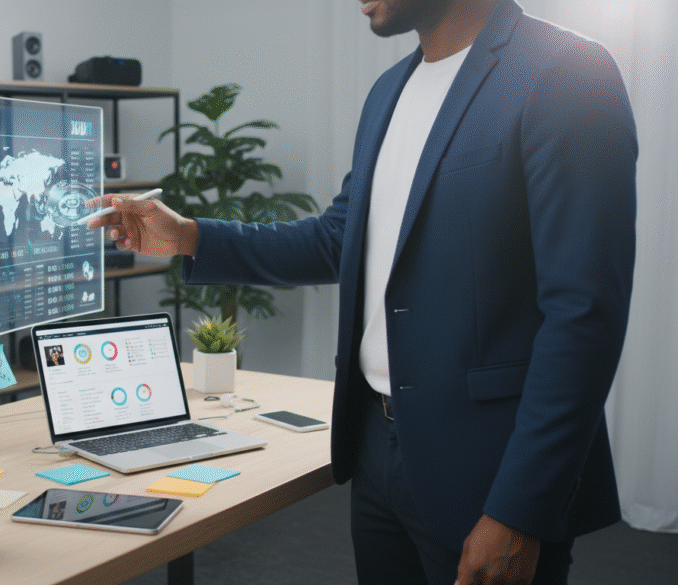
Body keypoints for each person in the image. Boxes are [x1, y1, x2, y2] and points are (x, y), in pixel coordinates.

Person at [86, 0, 637, 583]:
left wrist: (518, 511)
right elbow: (337, 239)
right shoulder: (388, 92)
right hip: (378, 450)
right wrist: (190, 237)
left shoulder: (567, 72)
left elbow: (584, 315)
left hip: (491, 468)